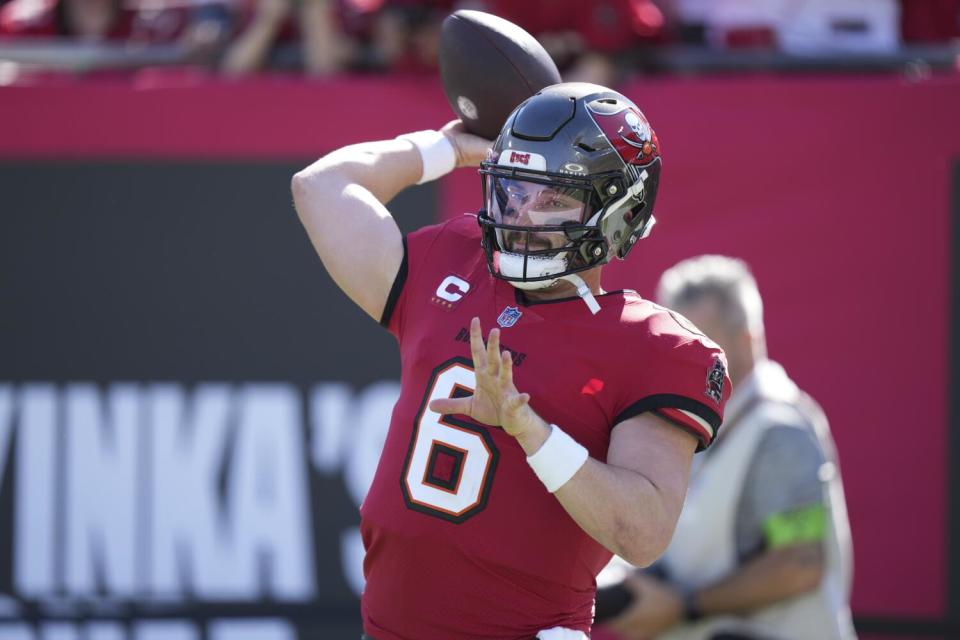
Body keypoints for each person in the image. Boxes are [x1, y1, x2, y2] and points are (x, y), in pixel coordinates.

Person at [291, 82, 731, 640]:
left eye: (551, 199)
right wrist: (444, 149)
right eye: (514, 189)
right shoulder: (452, 262)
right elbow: (321, 187)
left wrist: (531, 431)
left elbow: (641, 534)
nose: (522, 214)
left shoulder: (652, 345)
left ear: (620, 210)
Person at [600, 255, 855, 640]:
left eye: (702, 343)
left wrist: (684, 605)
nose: (683, 357)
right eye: (674, 342)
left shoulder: (778, 429)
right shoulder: (702, 421)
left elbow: (801, 564)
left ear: (747, 338)